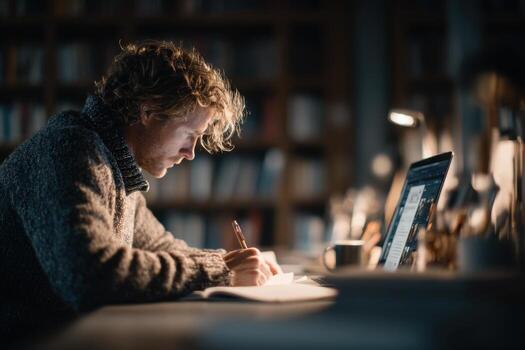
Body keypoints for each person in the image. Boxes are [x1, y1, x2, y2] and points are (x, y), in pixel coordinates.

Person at [0, 40, 282, 346]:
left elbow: (162, 247)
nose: (190, 153)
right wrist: (222, 270)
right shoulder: (70, 150)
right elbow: (89, 276)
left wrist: (234, 262)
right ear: (149, 111)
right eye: (189, 135)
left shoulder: (115, 166)